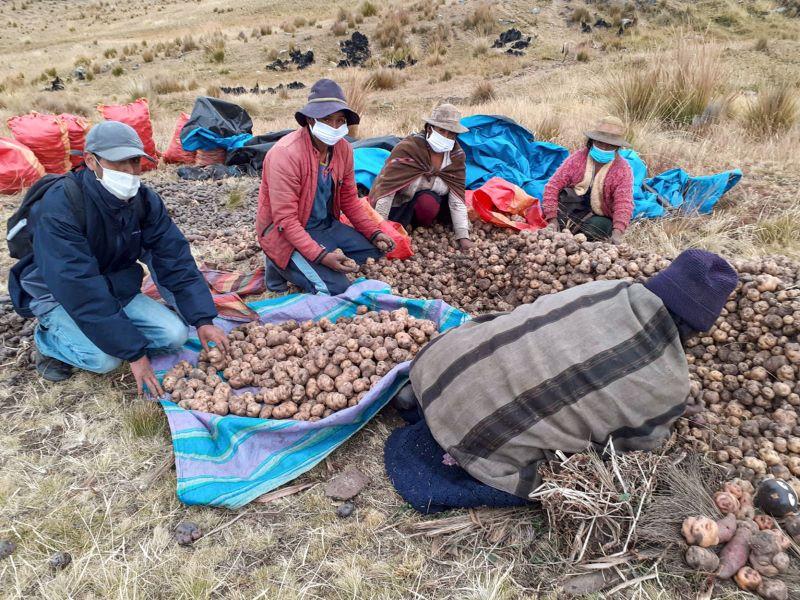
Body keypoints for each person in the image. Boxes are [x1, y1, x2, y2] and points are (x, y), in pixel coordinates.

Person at [388, 249, 738, 505]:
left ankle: (429, 401)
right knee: (558, 458)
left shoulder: (607, 289)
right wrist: (673, 412)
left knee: (504, 328)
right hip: (481, 441)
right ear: (696, 330)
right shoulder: (671, 386)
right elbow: (632, 447)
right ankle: (461, 439)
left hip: (439, 369)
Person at [9, 121, 228, 395]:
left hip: (113, 285)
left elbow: (173, 258)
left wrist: (203, 319)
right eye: (118, 162)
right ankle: (48, 342)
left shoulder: (143, 200)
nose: (129, 171)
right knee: (105, 360)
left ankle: (111, 334)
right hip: (57, 293)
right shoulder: (60, 206)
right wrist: (133, 353)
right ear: (91, 161)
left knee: (175, 335)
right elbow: (79, 287)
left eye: (134, 161)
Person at [256, 78, 395, 296]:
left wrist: (374, 232)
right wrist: (321, 256)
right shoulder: (285, 155)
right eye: (327, 119)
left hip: (323, 225)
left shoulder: (343, 150)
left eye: (340, 120)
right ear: (310, 120)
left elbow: (350, 200)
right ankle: (279, 262)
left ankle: (298, 262)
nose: (334, 126)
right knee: (336, 288)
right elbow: (286, 220)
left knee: (373, 252)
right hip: (284, 233)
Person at [369, 104, 474, 251]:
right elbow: (387, 191)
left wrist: (463, 237)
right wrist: (380, 230)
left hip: (429, 205)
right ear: (430, 128)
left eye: (451, 134)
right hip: (399, 203)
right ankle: (403, 226)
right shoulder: (408, 149)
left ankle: (422, 226)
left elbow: (457, 198)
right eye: (441, 131)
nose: (446, 137)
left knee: (428, 202)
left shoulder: (456, 156)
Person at [542, 116, 634, 244]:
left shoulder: (622, 169)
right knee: (554, 217)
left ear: (617, 147)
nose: (604, 148)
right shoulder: (577, 159)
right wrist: (552, 219)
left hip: (598, 215)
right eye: (600, 143)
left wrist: (617, 232)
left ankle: (581, 234)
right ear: (592, 141)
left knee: (597, 229)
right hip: (573, 209)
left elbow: (624, 203)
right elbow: (552, 186)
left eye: (610, 145)